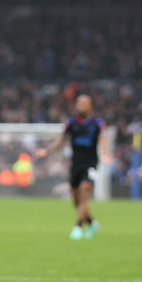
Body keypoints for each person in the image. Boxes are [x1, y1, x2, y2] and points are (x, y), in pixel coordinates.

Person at [36, 94, 108, 240]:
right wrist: (47, 150)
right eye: (78, 102)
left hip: (91, 164)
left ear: (90, 106)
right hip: (75, 164)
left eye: (83, 103)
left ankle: (78, 227)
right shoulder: (71, 123)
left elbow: (102, 140)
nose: (79, 105)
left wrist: (105, 154)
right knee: (76, 200)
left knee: (84, 192)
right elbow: (60, 139)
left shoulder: (97, 123)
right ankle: (91, 223)